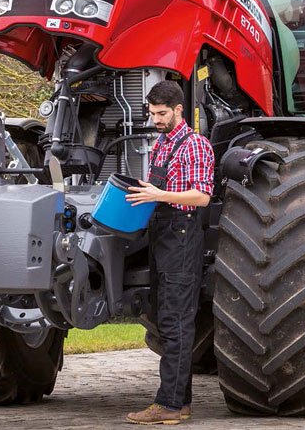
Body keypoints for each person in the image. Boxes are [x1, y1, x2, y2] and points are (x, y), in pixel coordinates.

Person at [124, 79, 214, 425]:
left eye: (162, 113)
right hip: (161, 235)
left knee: (177, 322)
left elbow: (202, 196)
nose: (156, 119)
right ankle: (182, 402)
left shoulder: (195, 145)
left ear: (179, 109)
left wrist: (158, 196)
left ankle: (169, 405)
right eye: (152, 113)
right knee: (166, 320)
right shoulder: (161, 144)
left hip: (182, 234)